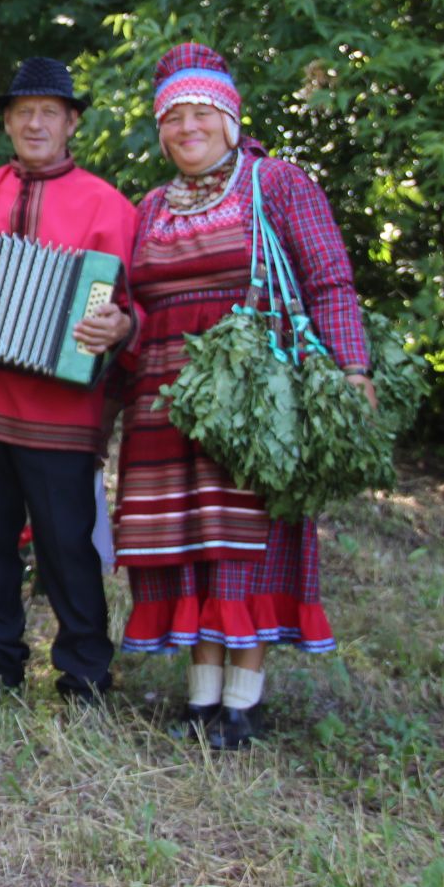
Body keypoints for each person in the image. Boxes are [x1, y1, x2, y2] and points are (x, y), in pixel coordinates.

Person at [116, 44, 370, 749]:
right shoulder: (150, 207)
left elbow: (328, 280)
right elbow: (132, 305)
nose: (186, 128)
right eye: (173, 118)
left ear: (230, 120)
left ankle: (243, 703)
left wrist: (352, 367)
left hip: (254, 400)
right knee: (188, 544)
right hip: (163, 401)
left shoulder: (276, 183)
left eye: (202, 113)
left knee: (242, 543)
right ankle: (199, 702)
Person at [0, 57, 138, 703]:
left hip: (63, 412)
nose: (36, 123)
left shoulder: (110, 208)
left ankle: (84, 668)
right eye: (24, 112)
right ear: (8, 122)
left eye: (51, 111)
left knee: (66, 546)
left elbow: (135, 304)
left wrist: (122, 327)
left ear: (73, 122)